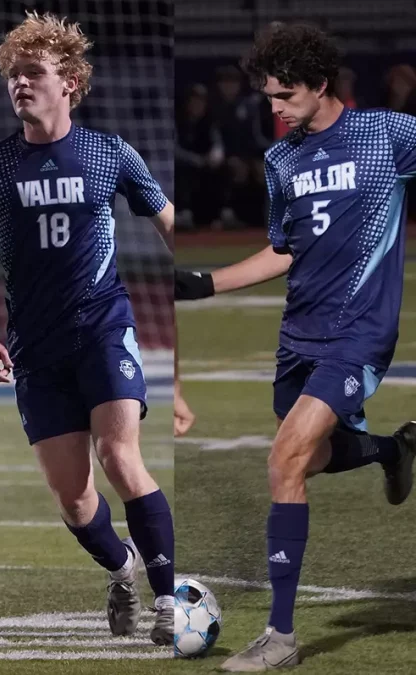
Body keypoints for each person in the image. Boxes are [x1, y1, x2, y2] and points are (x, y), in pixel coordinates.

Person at [175, 22, 416, 671]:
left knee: (284, 460)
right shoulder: (283, 160)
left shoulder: (388, 134)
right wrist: (201, 284)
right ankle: (393, 449)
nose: (273, 109)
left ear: (317, 83)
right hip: (297, 335)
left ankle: (280, 637)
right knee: (307, 463)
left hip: (359, 332)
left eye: (282, 96)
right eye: (268, 98)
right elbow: (283, 249)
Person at [0, 11, 177, 647]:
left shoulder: (111, 153)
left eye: (34, 73)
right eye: (13, 75)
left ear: (71, 82)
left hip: (104, 326)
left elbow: (167, 223)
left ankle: (169, 603)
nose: (20, 84)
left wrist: (195, 284)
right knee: (74, 499)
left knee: (119, 455)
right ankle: (122, 567)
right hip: (35, 349)